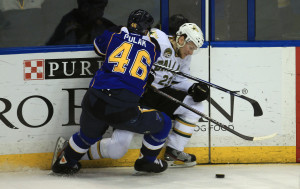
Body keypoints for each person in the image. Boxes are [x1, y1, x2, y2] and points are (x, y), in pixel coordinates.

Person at [51, 9, 173, 174]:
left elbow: (98, 48)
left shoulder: (114, 33)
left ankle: (64, 162)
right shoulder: (154, 47)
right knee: (164, 122)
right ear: (147, 29)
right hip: (122, 109)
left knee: (87, 137)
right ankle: (147, 161)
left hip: (94, 98)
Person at [79, 16, 209, 168]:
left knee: (195, 106)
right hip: (136, 95)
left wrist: (192, 88)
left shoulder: (184, 57)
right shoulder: (158, 38)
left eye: (194, 49)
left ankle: (174, 150)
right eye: (191, 47)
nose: (191, 52)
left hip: (158, 94)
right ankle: (76, 153)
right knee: (117, 149)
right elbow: (133, 46)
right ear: (181, 39)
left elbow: (178, 79)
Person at [46, 0, 116, 45]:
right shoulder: (70, 20)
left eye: (102, 7)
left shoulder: (106, 26)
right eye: (98, 7)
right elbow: (55, 51)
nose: (100, 12)